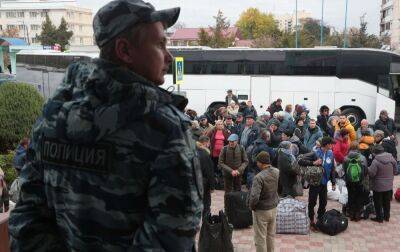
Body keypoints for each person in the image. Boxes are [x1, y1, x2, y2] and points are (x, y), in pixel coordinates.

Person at [9, 1, 203, 251]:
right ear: (125, 50)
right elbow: (172, 239)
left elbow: (27, 217)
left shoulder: (54, 114)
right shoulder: (165, 128)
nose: (169, 57)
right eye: (160, 44)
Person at [298, 137, 336, 231]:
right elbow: (300, 160)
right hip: (315, 183)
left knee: (323, 202)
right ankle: (311, 219)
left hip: (324, 183)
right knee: (312, 202)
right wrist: (313, 163)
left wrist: (333, 182)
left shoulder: (330, 153)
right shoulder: (315, 153)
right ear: (326, 144)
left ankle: (320, 218)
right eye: (331, 144)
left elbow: (332, 169)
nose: (332, 145)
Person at [248, 151, 279, 252]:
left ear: (261, 163)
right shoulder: (276, 172)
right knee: (270, 236)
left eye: (257, 162)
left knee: (260, 238)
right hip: (273, 208)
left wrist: (251, 206)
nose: (257, 164)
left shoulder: (258, 177)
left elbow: (254, 197)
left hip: (261, 211)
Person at [368, 145, 397, 223]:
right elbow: (395, 171)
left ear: (375, 152)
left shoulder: (376, 161)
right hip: (389, 185)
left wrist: (367, 168)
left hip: (378, 186)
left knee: (378, 202)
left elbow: (372, 174)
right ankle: (387, 217)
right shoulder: (392, 159)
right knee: (387, 202)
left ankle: (379, 218)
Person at [343, 141, 368, 221]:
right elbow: (365, 170)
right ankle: (357, 214)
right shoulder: (362, 158)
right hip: (360, 181)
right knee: (359, 196)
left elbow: (344, 169)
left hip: (349, 181)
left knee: (351, 195)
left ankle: (351, 213)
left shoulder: (346, 158)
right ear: (358, 148)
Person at [196, 136, 215, 219]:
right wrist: (212, 186)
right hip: (204, 183)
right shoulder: (205, 154)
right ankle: (206, 225)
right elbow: (209, 172)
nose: (209, 144)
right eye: (209, 143)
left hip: (194, 182)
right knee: (206, 204)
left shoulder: (193, 151)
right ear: (205, 143)